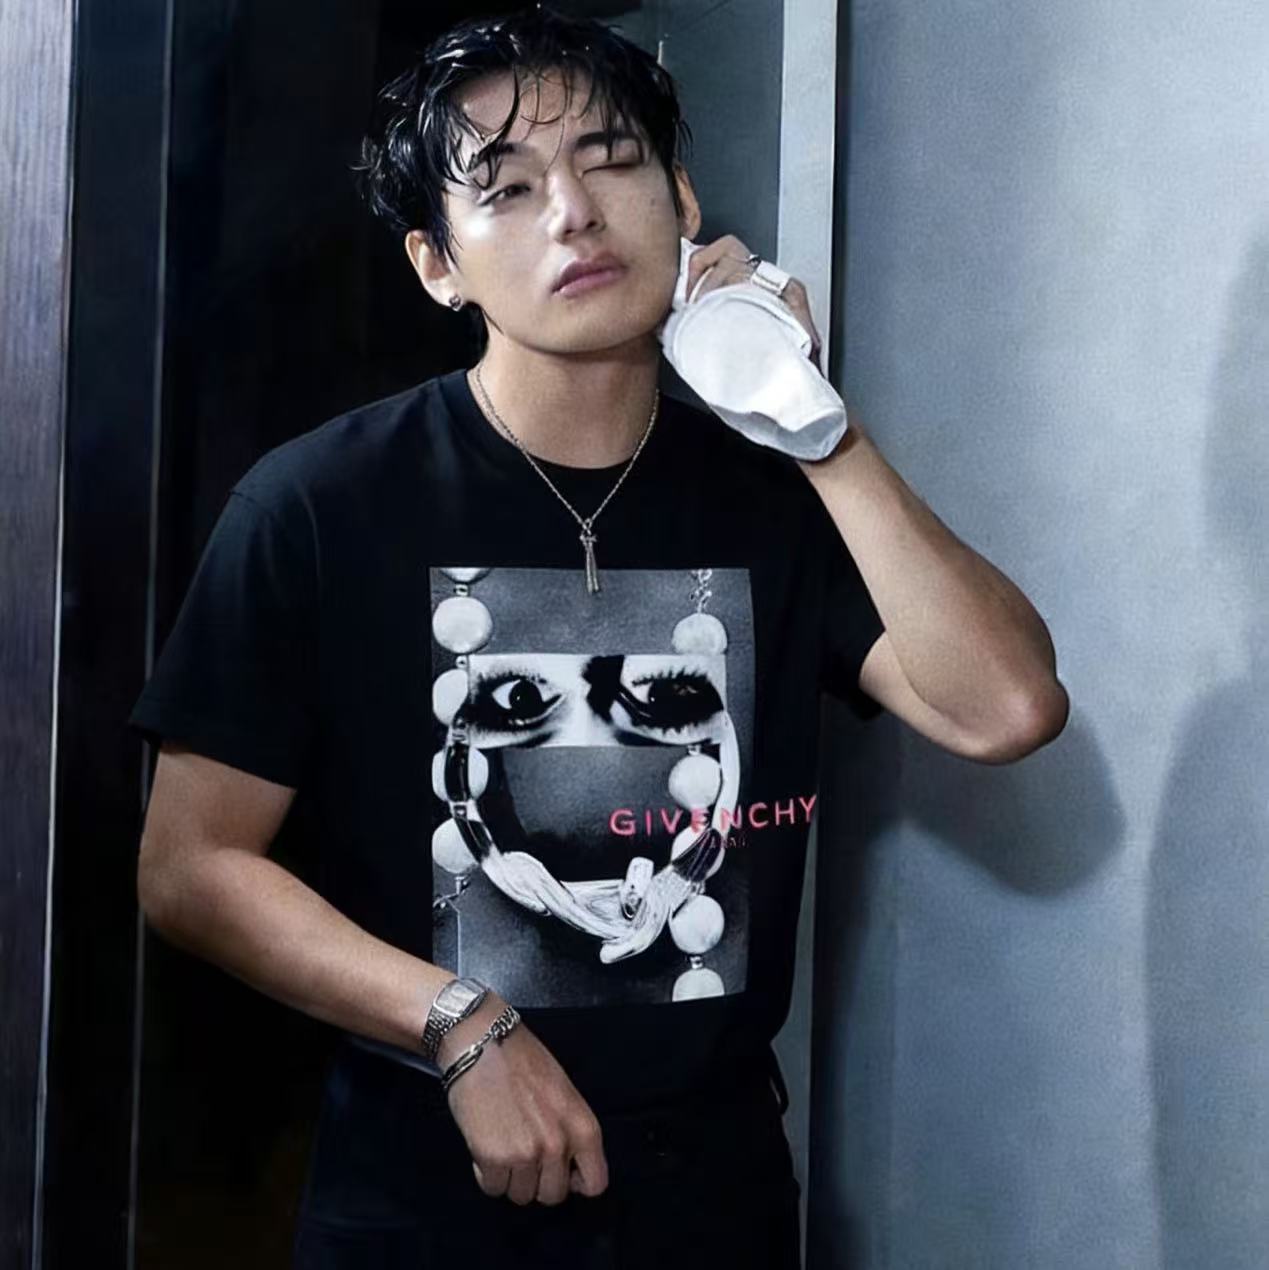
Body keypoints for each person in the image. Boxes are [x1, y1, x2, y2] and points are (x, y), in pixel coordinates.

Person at [128, 6, 1069, 1267]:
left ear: (679, 200)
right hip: (425, 1184)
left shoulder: (775, 493)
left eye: (610, 161)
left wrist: (813, 425)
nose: (572, 213)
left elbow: (1005, 708)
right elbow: (190, 865)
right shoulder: (317, 502)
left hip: (714, 1188)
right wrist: (457, 1020)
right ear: (437, 265)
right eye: (507, 190)